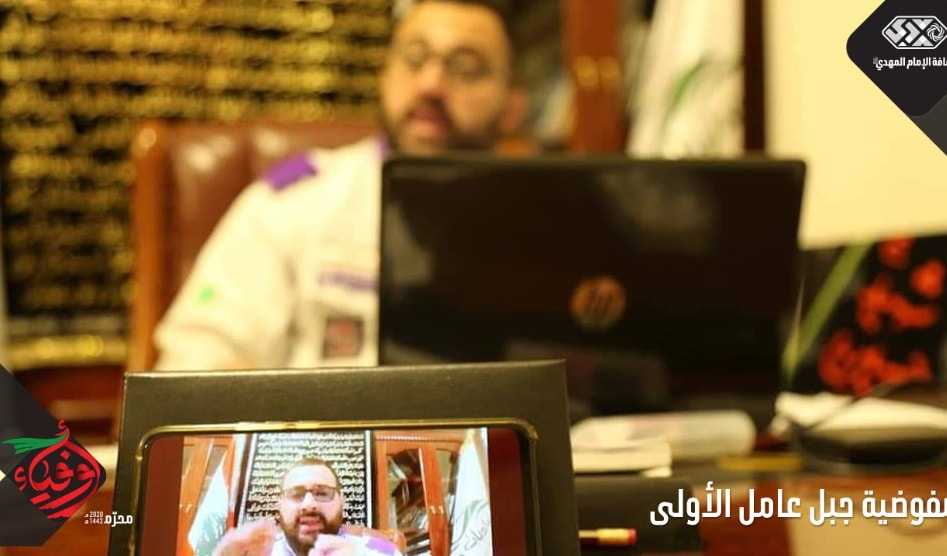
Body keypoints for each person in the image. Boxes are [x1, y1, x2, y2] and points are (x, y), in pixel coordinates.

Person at [154, 0, 526, 371]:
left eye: (466, 68)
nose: (430, 84)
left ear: (514, 104)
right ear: (384, 74)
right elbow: (196, 360)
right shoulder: (296, 201)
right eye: (414, 59)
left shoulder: (539, 222)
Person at [213, 457, 402, 556]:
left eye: (322, 493)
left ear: (342, 501)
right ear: (279, 504)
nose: (309, 504)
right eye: (296, 494)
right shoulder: (251, 553)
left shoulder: (380, 552)